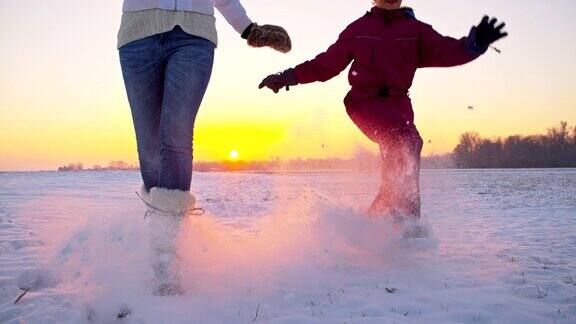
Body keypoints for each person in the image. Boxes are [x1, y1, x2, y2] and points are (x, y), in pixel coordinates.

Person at [259, 0, 507, 222]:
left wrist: (474, 44)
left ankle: (375, 225)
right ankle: (407, 222)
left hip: (399, 106)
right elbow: (326, 65)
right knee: (407, 140)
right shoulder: (358, 29)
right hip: (364, 103)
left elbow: (446, 50)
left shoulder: (416, 31)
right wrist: (288, 77)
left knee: (402, 157)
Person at [118, 0, 291, 295]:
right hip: (138, 36)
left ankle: (167, 254)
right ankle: (160, 235)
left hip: (194, 37)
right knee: (148, 143)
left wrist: (248, 29)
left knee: (175, 133)